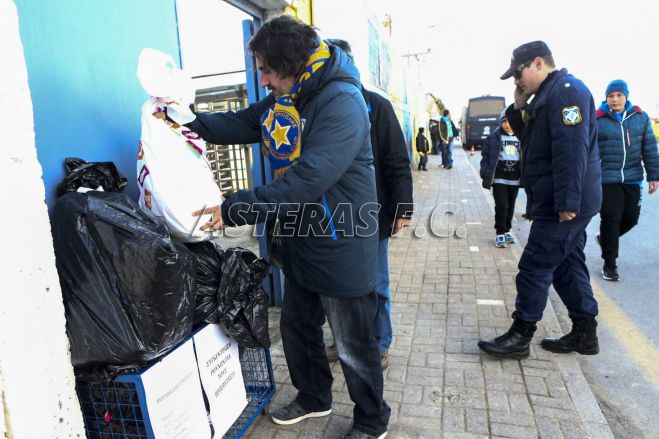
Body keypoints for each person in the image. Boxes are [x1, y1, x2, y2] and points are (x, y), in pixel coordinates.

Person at [165, 16, 390, 439]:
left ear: (291, 64)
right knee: (298, 326)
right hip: (301, 240)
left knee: (353, 344)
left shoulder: (340, 101)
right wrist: (184, 119)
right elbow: (241, 123)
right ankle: (313, 397)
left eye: (268, 70)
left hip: (340, 241)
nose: (263, 79)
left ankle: (372, 419)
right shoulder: (291, 97)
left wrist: (235, 207)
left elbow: (309, 178)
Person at [478, 41, 602, 359]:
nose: (516, 81)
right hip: (556, 196)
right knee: (567, 264)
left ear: (537, 63)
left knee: (535, 264)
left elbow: (571, 151)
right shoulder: (547, 94)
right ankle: (585, 332)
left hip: (563, 201)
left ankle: (521, 335)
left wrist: (567, 203)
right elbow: (531, 138)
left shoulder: (567, 92)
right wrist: (519, 104)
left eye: (518, 74)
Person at [323, 38, 414, 371]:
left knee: (376, 283)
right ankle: (344, 340)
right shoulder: (320, 108)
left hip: (370, 215)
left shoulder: (377, 105)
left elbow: (397, 161)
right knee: (338, 285)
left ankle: (380, 343)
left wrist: (402, 209)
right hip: (332, 217)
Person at [596, 79, 659, 281]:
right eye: (611, 96)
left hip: (632, 178)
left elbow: (649, 148)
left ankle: (605, 239)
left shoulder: (639, 118)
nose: (615, 100)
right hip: (607, 179)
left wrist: (654, 176)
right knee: (612, 219)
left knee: (631, 219)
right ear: (606, 98)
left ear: (626, 97)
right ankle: (610, 265)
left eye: (619, 95)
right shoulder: (597, 119)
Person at [480, 110, 521, 248]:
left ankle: (508, 230)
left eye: (509, 121)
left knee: (510, 206)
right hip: (499, 178)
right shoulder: (493, 138)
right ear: (500, 122)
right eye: (504, 121)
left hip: (515, 179)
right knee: (502, 206)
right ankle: (500, 233)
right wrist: (485, 172)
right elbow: (485, 157)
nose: (507, 124)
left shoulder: (522, 136)